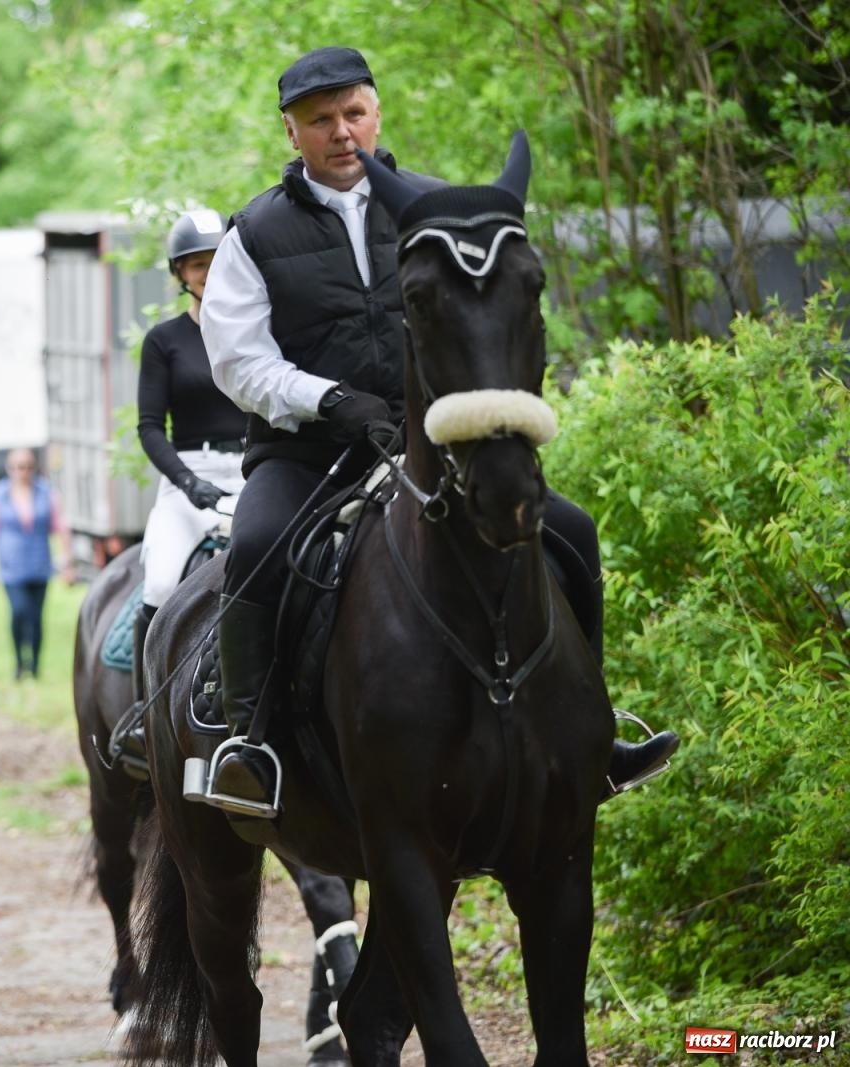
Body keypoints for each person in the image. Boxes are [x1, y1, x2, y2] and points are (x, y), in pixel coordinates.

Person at [198, 46, 679, 814]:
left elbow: (485, 321)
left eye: (354, 113)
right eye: (320, 120)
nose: (341, 132)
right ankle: (250, 744)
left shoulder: (439, 210)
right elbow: (238, 362)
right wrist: (330, 400)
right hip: (307, 452)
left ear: (376, 113)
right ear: (291, 131)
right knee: (256, 545)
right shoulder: (252, 234)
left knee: (571, 530)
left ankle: (594, 730)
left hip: (436, 447)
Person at [124, 209, 250, 737]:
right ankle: (145, 713)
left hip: (253, 470)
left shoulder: (257, 329)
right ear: (180, 273)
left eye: (217, 260)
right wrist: (187, 482)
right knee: (158, 582)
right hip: (189, 478)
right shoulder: (165, 340)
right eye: (197, 264)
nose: (208, 271)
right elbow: (150, 427)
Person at [0, 448, 74, 680]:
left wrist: (67, 563)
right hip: (11, 567)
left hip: (39, 565)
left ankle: (35, 665)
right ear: (9, 468)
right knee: (19, 612)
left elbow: (61, 528)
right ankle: (20, 662)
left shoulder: (46, 492)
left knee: (36, 617)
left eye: (29, 467)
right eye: (19, 467)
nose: (23, 472)